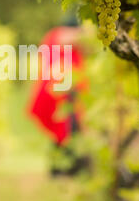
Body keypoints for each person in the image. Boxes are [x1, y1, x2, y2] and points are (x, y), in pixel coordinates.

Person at [27, 17, 91, 177]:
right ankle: (66, 169)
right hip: (62, 91)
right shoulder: (59, 35)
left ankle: (63, 168)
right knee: (67, 129)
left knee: (65, 130)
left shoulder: (53, 37)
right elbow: (68, 39)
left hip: (60, 89)